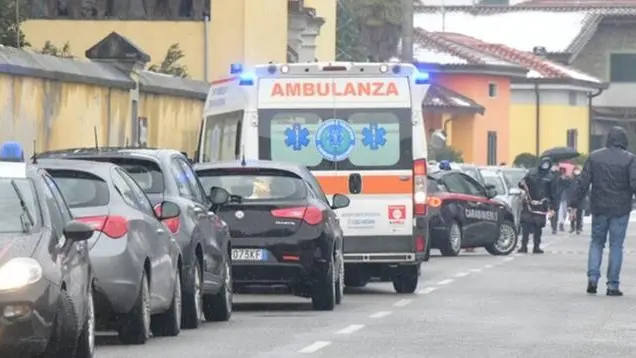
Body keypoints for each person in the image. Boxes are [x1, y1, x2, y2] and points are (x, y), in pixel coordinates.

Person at [569, 126, 636, 296]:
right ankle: (613, 285)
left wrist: (573, 202)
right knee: (616, 245)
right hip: (621, 208)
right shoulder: (630, 159)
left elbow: (583, 182)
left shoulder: (595, 157)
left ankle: (592, 278)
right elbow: (634, 183)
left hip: (599, 206)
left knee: (597, 242)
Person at [518, 156, 556, 254]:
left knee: (538, 226)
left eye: (548, 164)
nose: (545, 165)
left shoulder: (550, 177)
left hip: (541, 204)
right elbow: (521, 184)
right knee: (526, 225)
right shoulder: (531, 173)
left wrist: (553, 207)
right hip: (529, 203)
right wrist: (522, 184)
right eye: (544, 163)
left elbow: (553, 193)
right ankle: (523, 246)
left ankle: (536, 246)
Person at [568, 165, 585, 234]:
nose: (576, 171)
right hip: (572, 198)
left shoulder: (582, 178)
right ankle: (572, 227)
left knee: (579, 214)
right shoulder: (570, 179)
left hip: (579, 198)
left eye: (578, 170)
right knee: (572, 214)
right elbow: (568, 188)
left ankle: (578, 228)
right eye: (575, 170)